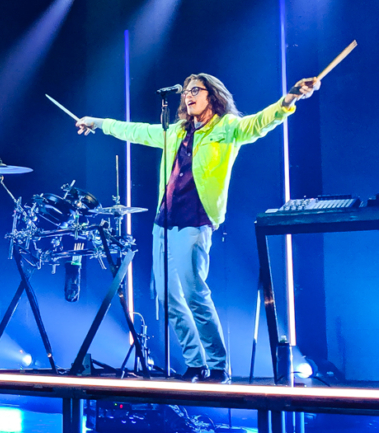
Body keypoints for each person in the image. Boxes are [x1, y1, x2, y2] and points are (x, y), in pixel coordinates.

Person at [76, 74, 319, 383]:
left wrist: (289, 99)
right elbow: (135, 131)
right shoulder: (176, 131)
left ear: (211, 95)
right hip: (164, 222)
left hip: (195, 221)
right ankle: (196, 363)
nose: (188, 95)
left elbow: (259, 123)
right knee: (166, 297)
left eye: (195, 90)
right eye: (185, 92)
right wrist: (97, 123)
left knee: (194, 293)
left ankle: (218, 366)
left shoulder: (226, 127)